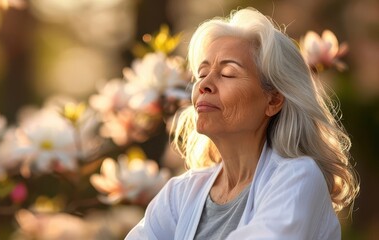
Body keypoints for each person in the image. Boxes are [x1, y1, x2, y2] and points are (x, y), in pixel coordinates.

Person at [126, 7, 359, 240]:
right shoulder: (179, 194)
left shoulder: (297, 177)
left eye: (227, 72)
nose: (204, 84)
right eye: (202, 73)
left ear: (274, 100)